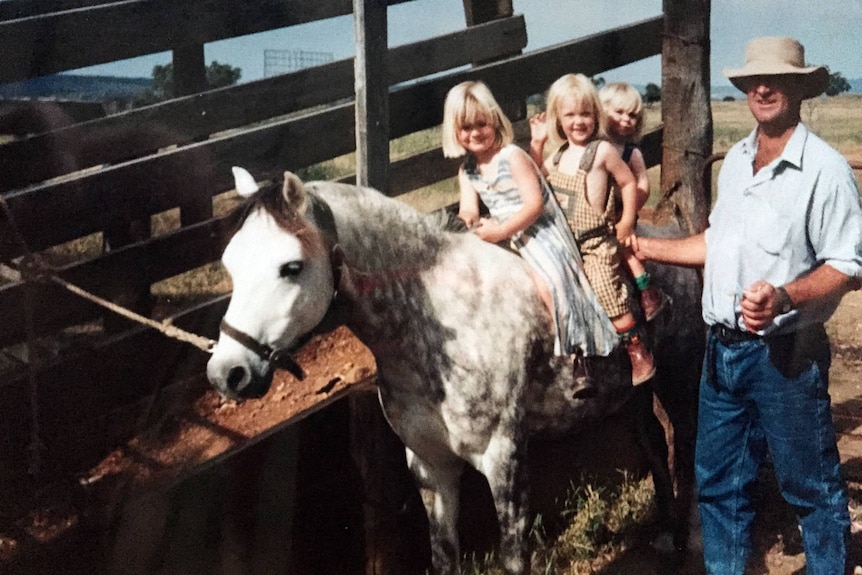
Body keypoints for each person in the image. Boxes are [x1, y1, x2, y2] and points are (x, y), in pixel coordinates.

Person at [630, 37, 862, 574]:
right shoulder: (734, 161)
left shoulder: (824, 170)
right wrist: (647, 247)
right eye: (754, 81)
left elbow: (848, 265)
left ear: (800, 88)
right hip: (722, 353)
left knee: (810, 488)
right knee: (718, 486)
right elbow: (716, 242)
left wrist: (785, 295)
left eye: (777, 80)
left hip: (786, 355)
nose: (763, 88)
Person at [441, 80, 619, 398]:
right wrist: (468, 225)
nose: (475, 134)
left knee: (551, 280)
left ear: (494, 121)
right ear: (455, 132)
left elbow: (535, 205)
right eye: (465, 128)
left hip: (539, 229)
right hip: (503, 230)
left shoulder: (512, 156)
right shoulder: (466, 170)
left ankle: (580, 356)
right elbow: (469, 209)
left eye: (481, 124)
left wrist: (501, 231)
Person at [528, 73, 655, 385]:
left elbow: (627, 182)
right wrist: (537, 143)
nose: (578, 122)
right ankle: (578, 356)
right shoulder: (557, 156)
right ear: (558, 117)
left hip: (596, 241)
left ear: (595, 115)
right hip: (566, 242)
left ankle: (636, 350)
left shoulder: (602, 152)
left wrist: (625, 221)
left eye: (585, 114)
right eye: (570, 115)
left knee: (603, 286)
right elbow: (538, 180)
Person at [598, 82, 668, 321]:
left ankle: (647, 290)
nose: (626, 120)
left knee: (623, 249)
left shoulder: (631, 153)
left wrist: (628, 210)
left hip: (621, 215)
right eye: (619, 112)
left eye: (632, 116)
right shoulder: (592, 147)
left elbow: (643, 186)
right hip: (594, 215)